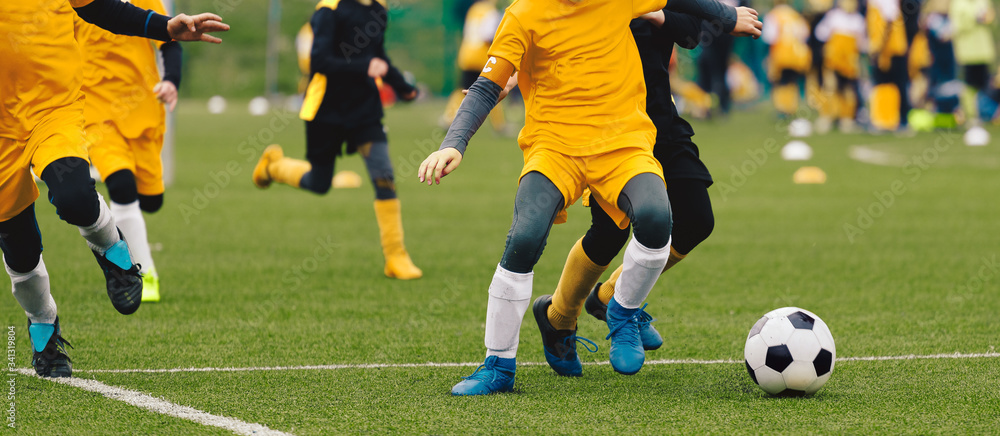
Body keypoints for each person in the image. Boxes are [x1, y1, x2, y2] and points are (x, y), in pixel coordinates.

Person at [418, 0, 761, 396]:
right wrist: (454, 143)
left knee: (658, 217)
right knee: (530, 235)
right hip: (556, 144)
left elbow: (684, 10)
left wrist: (726, 15)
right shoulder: (524, 12)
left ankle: (622, 308)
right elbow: (487, 83)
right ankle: (500, 364)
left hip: (625, 136)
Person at [0, 0, 228, 378]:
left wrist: (165, 28)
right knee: (19, 248)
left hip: (52, 109)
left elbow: (102, 9)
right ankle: (43, 325)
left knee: (74, 196)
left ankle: (113, 251)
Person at [534, 6, 757, 377]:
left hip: (661, 121)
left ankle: (612, 299)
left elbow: (690, 33)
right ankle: (558, 316)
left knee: (697, 220)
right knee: (611, 231)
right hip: (611, 131)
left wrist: (656, 15)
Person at [253, 0, 422, 280]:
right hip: (326, 111)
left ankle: (396, 256)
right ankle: (274, 167)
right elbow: (319, 61)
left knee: (384, 175)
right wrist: (364, 66)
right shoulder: (329, 9)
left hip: (364, 111)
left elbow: (377, 56)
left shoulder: (378, 10)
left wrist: (404, 88)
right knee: (319, 184)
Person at [75, 0, 184, 303]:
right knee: (121, 186)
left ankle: (130, 227)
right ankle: (143, 274)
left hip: (142, 110)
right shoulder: (74, 4)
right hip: (96, 112)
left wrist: (171, 81)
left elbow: (171, 41)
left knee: (151, 200)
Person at [441, 0, 508, 133]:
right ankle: (499, 125)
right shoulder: (490, 11)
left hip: (467, 53)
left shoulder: (474, 9)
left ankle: (448, 118)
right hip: (482, 56)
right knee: (492, 87)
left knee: (463, 88)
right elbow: (487, 35)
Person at [814, 0, 867, 132]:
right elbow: (820, 33)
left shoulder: (859, 20)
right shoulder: (833, 16)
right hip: (833, 61)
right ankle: (827, 117)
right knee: (830, 87)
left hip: (849, 62)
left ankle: (847, 118)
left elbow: (862, 43)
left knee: (848, 90)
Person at [762, 0, 812, 119]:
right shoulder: (794, 14)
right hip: (797, 54)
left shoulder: (774, 15)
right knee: (792, 81)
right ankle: (791, 107)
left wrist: (768, 55)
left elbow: (769, 37)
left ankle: (782, 108)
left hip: (781, 54)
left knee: (780, 81)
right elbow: (805, 33)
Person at [949, 0, 996, 124]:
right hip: (967, 52)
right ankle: (971, 116)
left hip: (984, 51)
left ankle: (985, 114)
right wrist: (975, 18)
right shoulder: (958, 4)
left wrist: (988, 18)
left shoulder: (983, 1)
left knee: (984, 84)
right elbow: (957, 25)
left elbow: (991, 19)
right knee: (969, 85)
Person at [867, 0, 910, 131]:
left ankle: (892, 120)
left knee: (888, 85)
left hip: (890, 50)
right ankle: (890, 119)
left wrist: (879, 50)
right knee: (890, 85)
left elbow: (888, 23)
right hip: (890, 49)